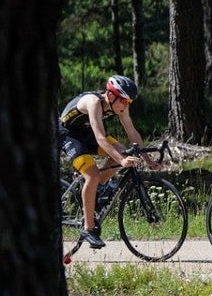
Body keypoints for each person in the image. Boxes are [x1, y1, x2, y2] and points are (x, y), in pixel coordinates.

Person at [57, 74, 146, 248]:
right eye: (125, 101)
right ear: (111, 96)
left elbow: (131, 131)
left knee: (121, 149)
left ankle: (98, 190)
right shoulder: (93, 102)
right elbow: (100, 138)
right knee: (92, 175)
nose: (127, 105)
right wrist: (121, 161)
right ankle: (88, 229)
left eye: (129, 102)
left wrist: (148, 159)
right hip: (69, 135)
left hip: (86, 132)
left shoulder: (119, 104)